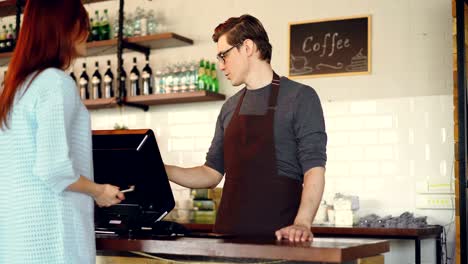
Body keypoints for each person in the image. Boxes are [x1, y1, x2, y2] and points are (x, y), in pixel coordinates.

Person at [165, 14, 326, 242]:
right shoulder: (230, 107)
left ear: (247, 47)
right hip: (227, 238)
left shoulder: (300, 97)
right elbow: (210, 173)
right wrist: (160, 169)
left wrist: (302, 223)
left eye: (224, 55)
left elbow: (314, 169)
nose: (221, 65)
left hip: (282, 238)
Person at [0, 0, 125, 263]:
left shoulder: (14, 89)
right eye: (83, 25)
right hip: (54, 241)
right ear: (63, 28)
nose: (88, 33)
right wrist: (98, 191)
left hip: (15, 241)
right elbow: (53, 169)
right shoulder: (55, 84)